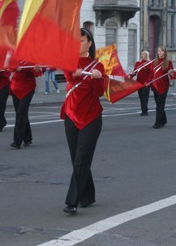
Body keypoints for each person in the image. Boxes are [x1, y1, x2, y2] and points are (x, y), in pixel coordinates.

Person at [60, 28, 107, 215]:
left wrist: (96, 78)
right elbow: (68, 76)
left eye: (81, 40)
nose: (77, 44)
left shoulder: (98, 66)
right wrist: (77, 73)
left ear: (89, 43)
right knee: (77, 159)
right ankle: (88, 195)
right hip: (71, 115)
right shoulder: (69, 62)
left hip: (91, 117)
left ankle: (72, 201)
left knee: (81, 159)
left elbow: (98, 93)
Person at [9, 65, 42, 149]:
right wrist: (16, 67)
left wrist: (36, 69)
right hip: (15, 87)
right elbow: (10, 67)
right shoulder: (16, 56)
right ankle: (27, 138)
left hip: (28, 87)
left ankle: (17, 141)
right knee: (21, 113)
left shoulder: (32, 57)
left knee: (21, 112)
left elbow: (38, 73)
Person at [151, 46, 176, 129]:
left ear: (165, 53)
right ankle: (163, 120)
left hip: (164, 85)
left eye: (161, 51)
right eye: (158, 51)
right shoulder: (154, 62)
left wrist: (171, 72)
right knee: (159, 104)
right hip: (155, 85)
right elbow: (151, 74)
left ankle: (157, 123)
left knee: (159, 104)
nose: (159, 52)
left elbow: (172, 73)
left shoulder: (168, 62)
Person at [131, 50, 153, 116]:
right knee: (140, 96)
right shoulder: (138, 63)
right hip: (139, 82)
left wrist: (148, 81)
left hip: (146, 83)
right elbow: (134, 72)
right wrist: (132, 74)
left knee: (144, 97)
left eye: (143, 54)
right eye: (141, 54)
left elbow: (151, 73)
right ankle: (143, 109)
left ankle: (145, 111)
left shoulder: (149, 63)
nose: (142, 55)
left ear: (146, 55)